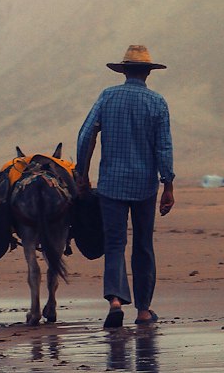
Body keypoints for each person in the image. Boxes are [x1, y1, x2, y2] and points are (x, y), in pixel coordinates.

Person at [75, 44, 175, 328]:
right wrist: (168, 184)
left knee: (115, 243)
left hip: (111, 185)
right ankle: (143, 310)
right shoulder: (157, 103)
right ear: (147, 72)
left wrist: (82, 174)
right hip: (144, 186)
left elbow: (85, 136)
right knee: (143, 245)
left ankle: (116, 301)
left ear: (124, 71)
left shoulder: (107, 97)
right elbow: (164, 147)